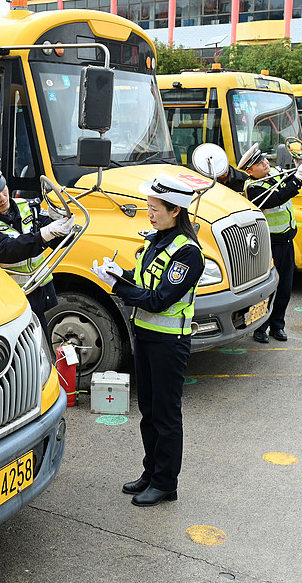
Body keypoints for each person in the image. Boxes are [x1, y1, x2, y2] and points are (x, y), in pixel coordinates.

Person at [90, 174, 203, 507]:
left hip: (170, 343)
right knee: (148, 411)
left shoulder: (189, 254)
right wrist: (117, 273)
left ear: (176, 211)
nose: (149, 214)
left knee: (166, 416)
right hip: (146, 336)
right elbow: (143, 281)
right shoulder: (156, 241)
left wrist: (118, 286)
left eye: (155, 209)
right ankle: (151, 472)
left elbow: (158, 299)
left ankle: (166, 483)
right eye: (149, 207)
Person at [0, 158, 74, 331]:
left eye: (2, 189)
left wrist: (62, 225)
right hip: (7, 301)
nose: (2, 197)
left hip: (37, 291)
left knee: (42, 349)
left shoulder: (27, 205)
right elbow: (7, 250)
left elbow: (59, 242)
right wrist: (44, 234)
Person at [238, 146, 302, 344]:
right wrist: (296, 178)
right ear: (249, 171)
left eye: (263, 159)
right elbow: (278, 198)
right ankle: (260, 327)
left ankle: (277, 325)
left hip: (286, 241)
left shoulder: (275, 174)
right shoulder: (252, 187)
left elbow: (294, 184)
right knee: (265, 289)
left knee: (285, 288)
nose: (265, 163)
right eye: (259, 163)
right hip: (269, 243)